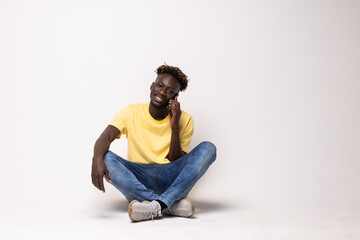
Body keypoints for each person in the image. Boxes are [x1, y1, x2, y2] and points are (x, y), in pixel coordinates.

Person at [91, 64, 216, 222]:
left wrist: (175, 126)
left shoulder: (185, 119)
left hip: (171, 178)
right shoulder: (131, 112)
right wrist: (96, 158)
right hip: (138, 178)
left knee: (209, 148)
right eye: (160, 86)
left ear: (175, 97)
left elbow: (176, 161)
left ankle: (153, 206)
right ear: (152, 86)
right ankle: (168, 205)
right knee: (105, 156)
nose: (162, 92)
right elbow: (106, 136)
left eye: (170, 91)